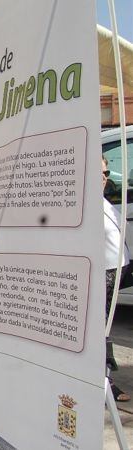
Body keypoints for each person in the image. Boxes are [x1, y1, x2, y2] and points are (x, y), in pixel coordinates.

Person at [102, 157, 130, 402]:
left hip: (116, 272)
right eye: (99, 171)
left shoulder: (105, 203)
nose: (104, 176)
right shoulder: (84, 205)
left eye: (107, 171)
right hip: (102, 275)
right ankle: (107, 382)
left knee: (104, 330)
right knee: (103, 332)